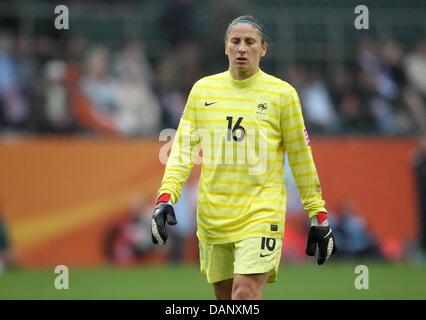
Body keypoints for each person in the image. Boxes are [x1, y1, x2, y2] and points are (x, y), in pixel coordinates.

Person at [150, 15, 337, 300]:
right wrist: (166, 198)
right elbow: (182, 151)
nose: (241, 48)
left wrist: (318, 215)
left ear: (263, 49)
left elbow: (301, 157)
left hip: (261, 212)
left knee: (245, 294)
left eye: (250, 42)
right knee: (226, 300)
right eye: (235, 41)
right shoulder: (202, 91)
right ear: (225, 47)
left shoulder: (282, 95)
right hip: (213, 215)